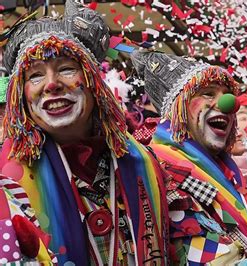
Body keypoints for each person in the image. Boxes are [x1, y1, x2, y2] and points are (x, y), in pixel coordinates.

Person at [0, 1, 168, 264]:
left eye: (67, 69)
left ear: (94, 85)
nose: (51, 84)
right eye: (35, 76)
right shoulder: (7, 183)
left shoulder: (144, 162)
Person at [130, 50, 247, 265]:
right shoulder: (161, 169)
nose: (228, 104)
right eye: (208, 93)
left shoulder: (226, 170)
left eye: (226, 95)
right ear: (179, 109)